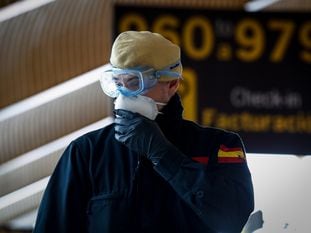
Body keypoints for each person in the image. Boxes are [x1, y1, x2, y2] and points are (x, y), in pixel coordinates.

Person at [33, 31, 254, 233]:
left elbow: (232, 218)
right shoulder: (87, 153)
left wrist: (163, 154)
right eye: (116, 82)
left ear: (172, 84)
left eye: (133, 83)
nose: (122, 94)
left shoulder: (218, 146)